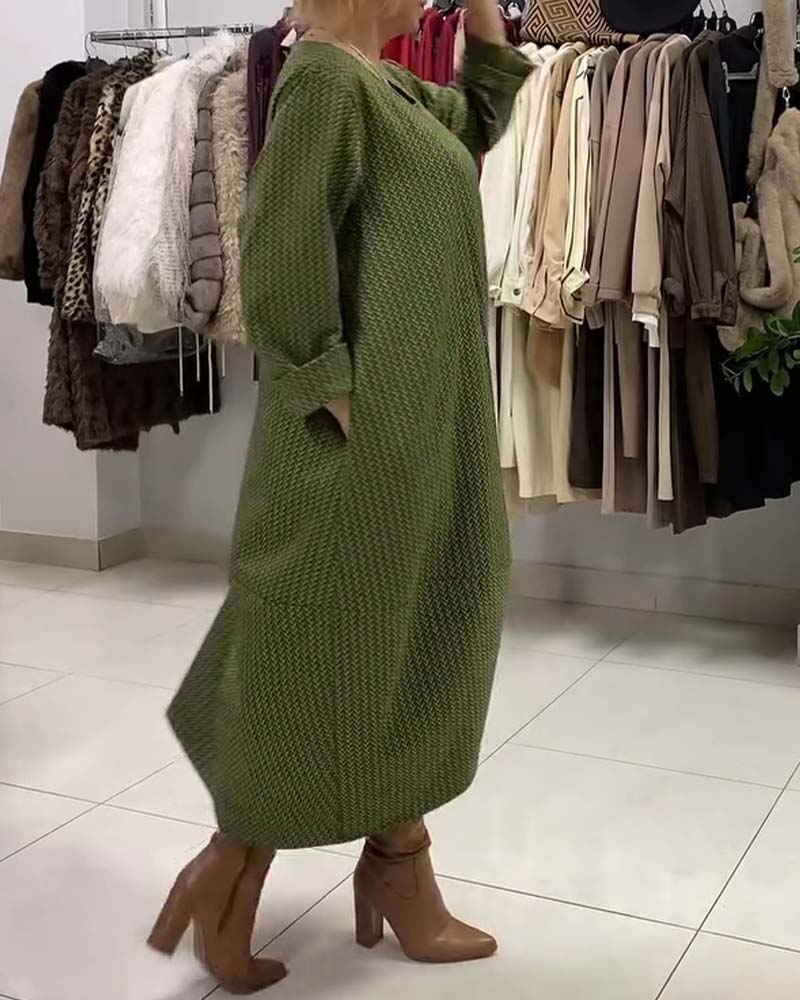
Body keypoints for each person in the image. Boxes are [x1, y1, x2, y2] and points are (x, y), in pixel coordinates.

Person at [148, 0, 531, 991]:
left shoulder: (385, 83)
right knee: (318, 644)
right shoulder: (323, 80)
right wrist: (332, 385)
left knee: (408, 629)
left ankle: (398, 865)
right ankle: (233, 866)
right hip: (361, 436)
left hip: (424, 423)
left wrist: (487, 20)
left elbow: (476, 122)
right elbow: (280, 243)